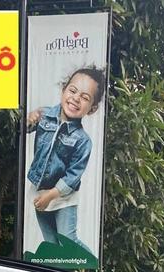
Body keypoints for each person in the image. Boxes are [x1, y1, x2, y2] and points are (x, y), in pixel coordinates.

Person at [25, 66, 106, 248]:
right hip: (40, 190)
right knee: (52, 243)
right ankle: (55, 266)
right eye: (73, 90)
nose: (76, 98)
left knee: (68, 241)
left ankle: (91, 263)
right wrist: (29, 118)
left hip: (63, 196)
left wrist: (52, 194)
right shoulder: (44, 115)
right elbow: (24, 128)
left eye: (85, 97)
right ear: (63, 90)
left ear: (92, 109)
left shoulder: (83, 141)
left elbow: (72, 176)